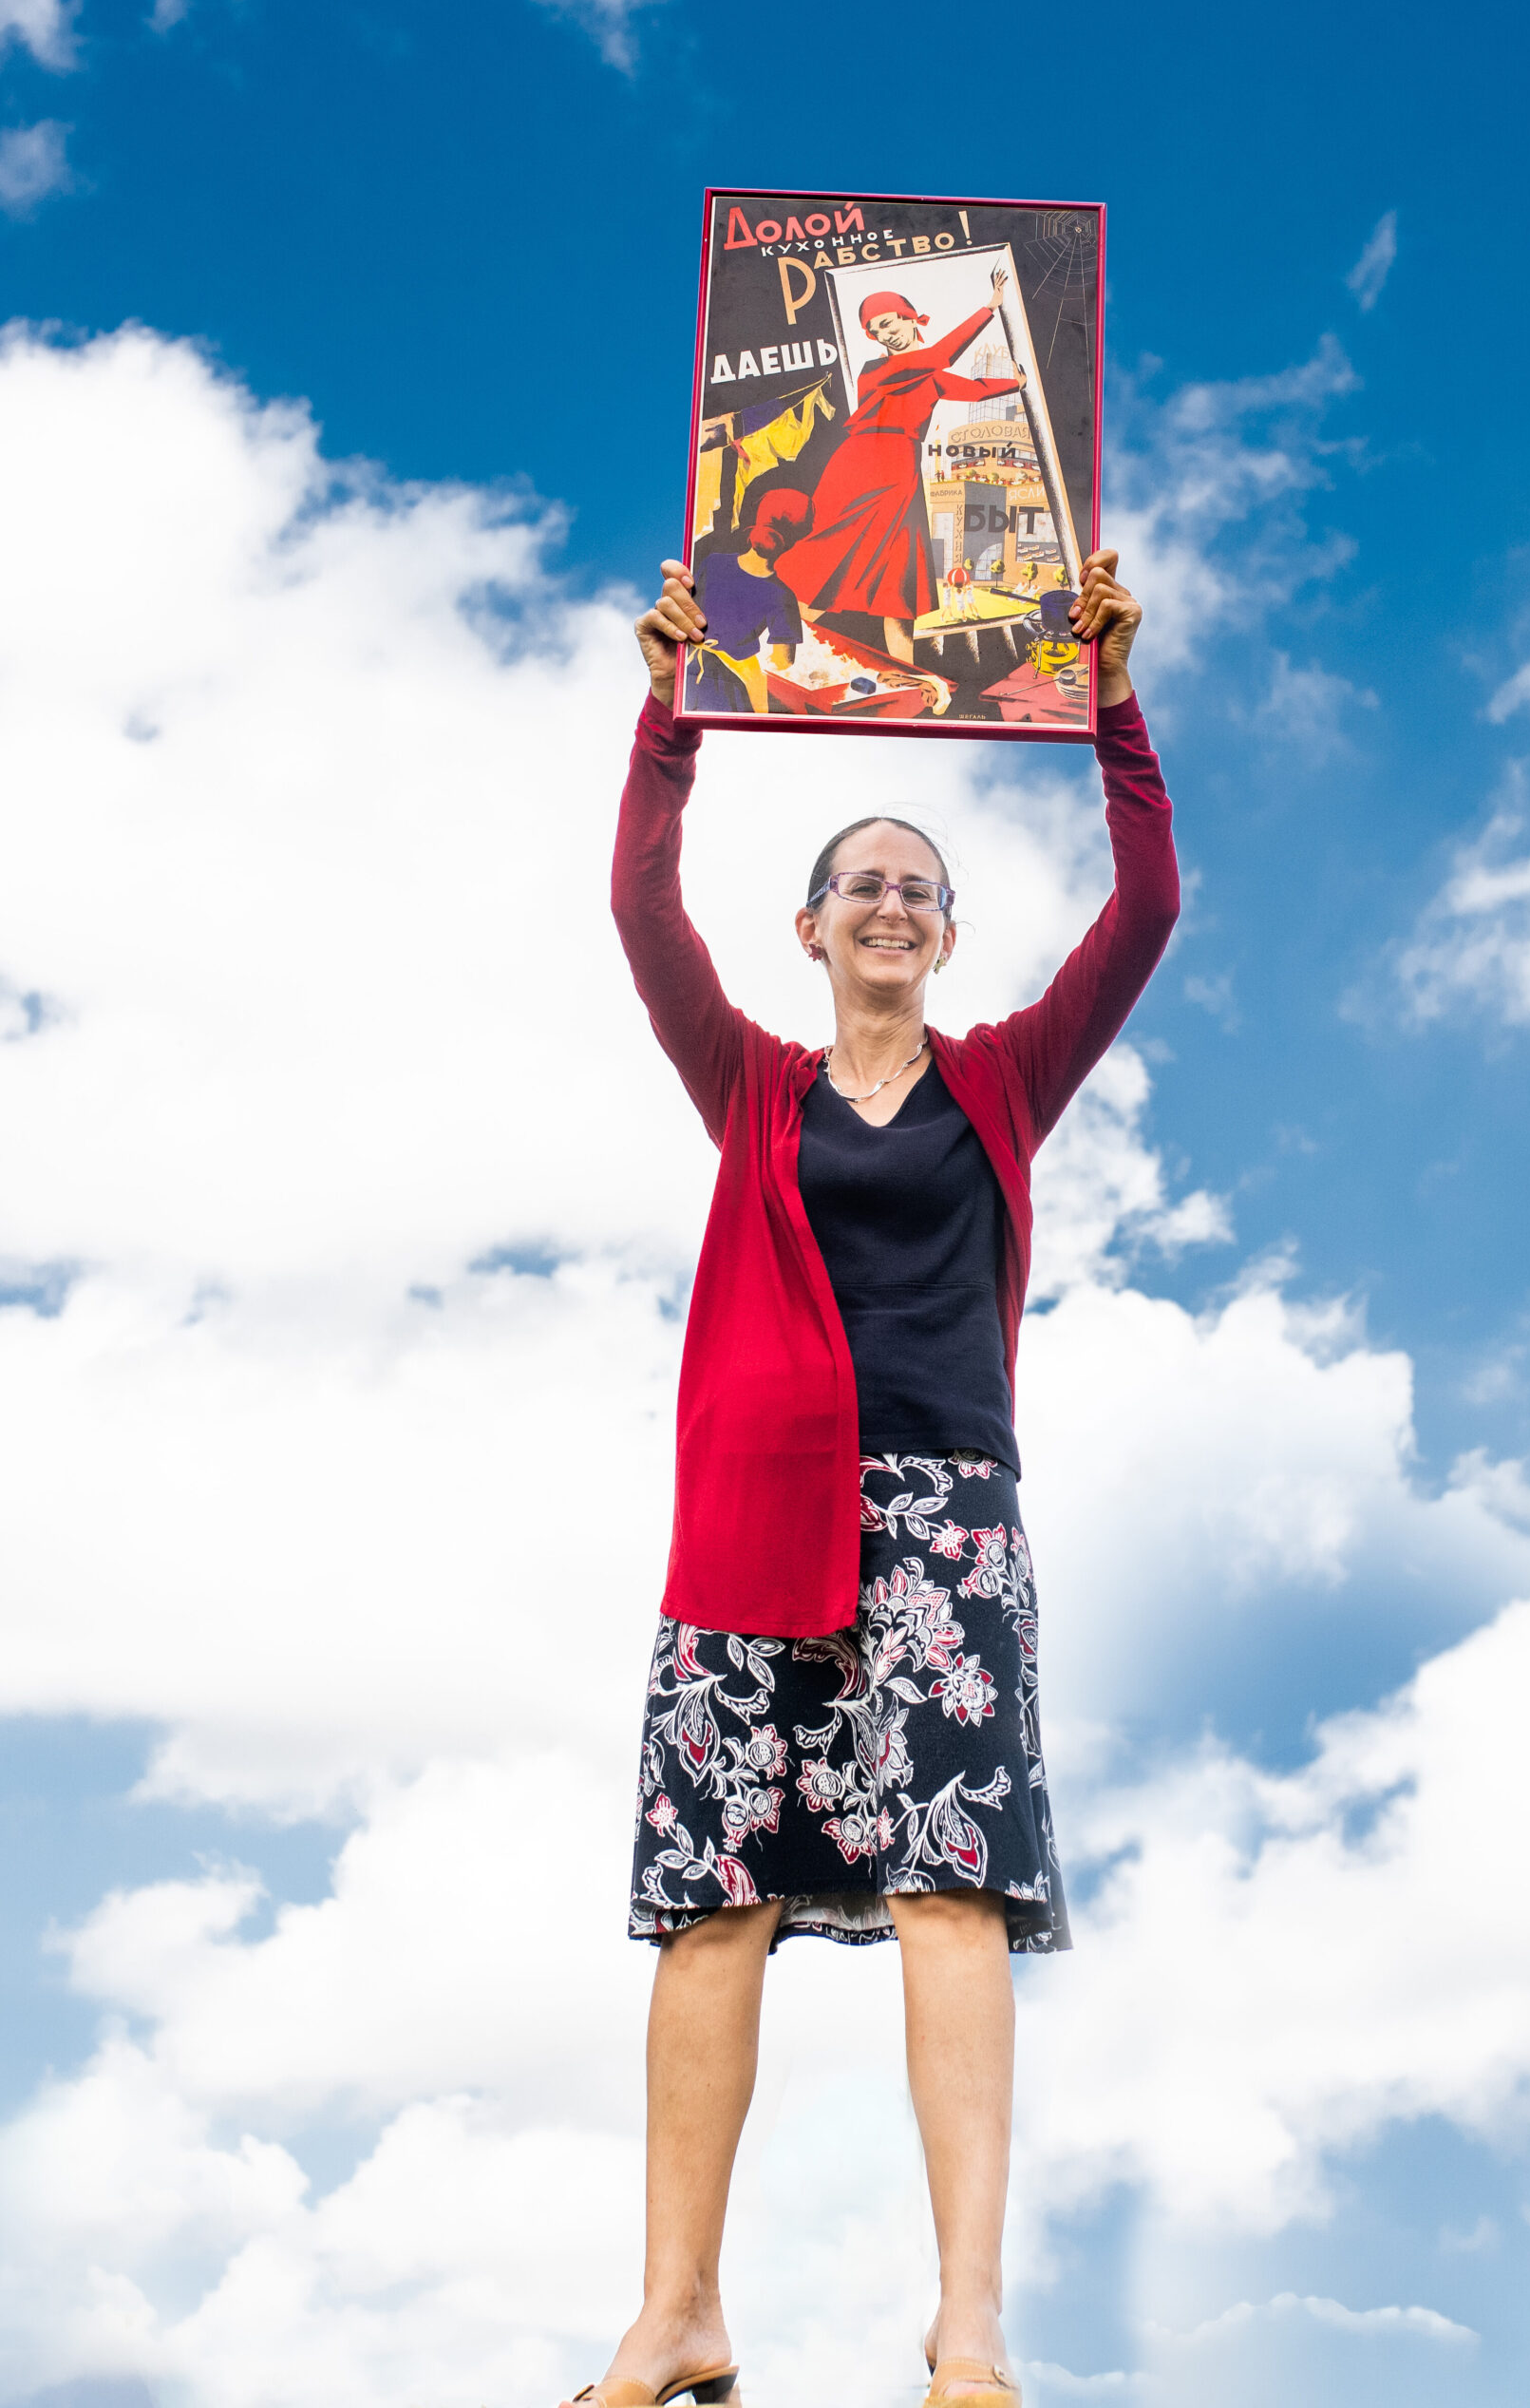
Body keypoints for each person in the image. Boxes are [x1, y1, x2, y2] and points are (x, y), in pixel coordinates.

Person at [576, 547, 1176, 2408]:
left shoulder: (1001, 1079)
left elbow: (1146, 904)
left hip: (942, 1520)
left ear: (944, 932)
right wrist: (670, 704)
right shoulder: (747, 1081)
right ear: (812, 925)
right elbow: (639, 905)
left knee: (949, 1886)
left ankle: (967, 2321)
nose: (894, 902)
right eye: (864, 884)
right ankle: (678, 2308)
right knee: (712, 1894)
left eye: (921, 887)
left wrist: (1107, 695)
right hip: (749, 1516)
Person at [774, 272, 1024, 668]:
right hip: (862, 466)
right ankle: (783, 651)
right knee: (833, 563)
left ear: (909, 317)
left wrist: (1014, 383)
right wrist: (988, 308)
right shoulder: (876, 371)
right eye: (874, 330)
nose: (883, 334)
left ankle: (907, 673)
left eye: (888, 323)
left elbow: (973, 389)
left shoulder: (928, 375)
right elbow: (941, 355)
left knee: (901, 575)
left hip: (902, 468)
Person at [683, 489, 811, 715]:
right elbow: (782, 663)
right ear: (796, 540)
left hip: (691, 674)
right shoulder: (783, 597)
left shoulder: (712, 562)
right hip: (733, 685)